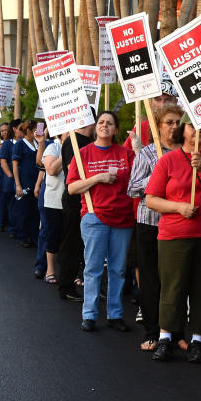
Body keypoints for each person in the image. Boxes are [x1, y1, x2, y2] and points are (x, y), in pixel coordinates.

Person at [144, 116, 201, 362]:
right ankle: (165, 337)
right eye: (193, 126)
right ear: (184, 129)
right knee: (173, 287)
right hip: (174, 235)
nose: (198, 131)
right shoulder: (168, 160)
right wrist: (178, 207)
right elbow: (151, 199)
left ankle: (198, 340)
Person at [66, 110, 135, 331]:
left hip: (123, 218)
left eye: (110, 123)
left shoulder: (126, 153)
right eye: (101, 122)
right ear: (96, 127)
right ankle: (89, 314)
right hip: (94, 216)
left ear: (115, 129)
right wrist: (98, 178)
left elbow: (141, 179)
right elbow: (72, 187)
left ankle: (115, 315)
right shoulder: (83, 153)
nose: (105, 125)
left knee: (117, 269)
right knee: (93, 268)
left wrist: (140, 150)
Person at [126, 102, 183, 351]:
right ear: (159, 127)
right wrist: (160, 172)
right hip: (150, 224)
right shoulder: (147, 154)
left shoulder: (187, 153)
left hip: (179, 225)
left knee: (177, 282)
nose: (174, 127)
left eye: (177, 122)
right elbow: (132, 188)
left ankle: (176, 332)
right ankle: (152, 332)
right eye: (169, 123)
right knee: (150, 280)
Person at [58, 121, 94, 302]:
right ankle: (66, 286)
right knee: (71, 245)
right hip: (75, 201)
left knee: (84, 246)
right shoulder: (73, 141)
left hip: (88, 201)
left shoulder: (86, 140)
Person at [38, 130, 66, 283]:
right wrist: (68, 151)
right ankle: (50, 270)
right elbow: (51, 170)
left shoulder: (83, 147)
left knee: (71, 239)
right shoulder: (53, 148)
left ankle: (72, 273)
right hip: (54, 200)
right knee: (53, 235)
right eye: (67, 132)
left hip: (73, 201)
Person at [11, 119, 41, 246]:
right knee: (23, 211)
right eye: (35, 128)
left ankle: (34, 236)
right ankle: (23, 236)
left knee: (35, 211)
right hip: (24, 183)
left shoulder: (38, 143)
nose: (37, 130)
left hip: (36, 183)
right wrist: (18, 184)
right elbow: (15, 165)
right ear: (28, 130)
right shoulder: (19, 145)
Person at [0, 122, 16, 233]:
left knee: (11, 203)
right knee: (1, 201)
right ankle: (1, 222)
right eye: (1, 131)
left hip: (12, 177)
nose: (4, 132)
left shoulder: (14, 143)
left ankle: (11, 224)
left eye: (6, 130)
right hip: (0, 176)